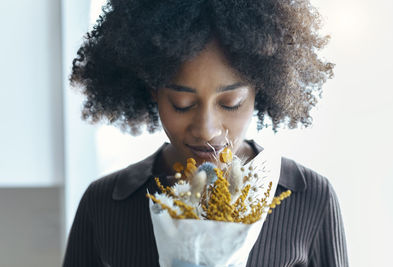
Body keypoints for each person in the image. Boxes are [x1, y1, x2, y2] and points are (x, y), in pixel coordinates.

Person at [63, 0, 348, 266]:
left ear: (260, 88)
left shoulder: (310, 197)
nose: (206, 130)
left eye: (230, 103)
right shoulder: (104, 203)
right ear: (153, 91)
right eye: (182, 104)